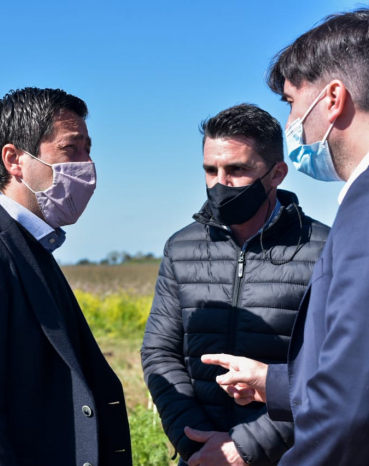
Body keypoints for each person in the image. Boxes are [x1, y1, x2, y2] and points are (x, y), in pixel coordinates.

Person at [202, 9, 369, 465]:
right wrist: (275, 381)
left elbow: (353, 405)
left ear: (332, 99)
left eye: (290, 102)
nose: (292, 122)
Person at [0, 87, 132, 466]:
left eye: (88, 149)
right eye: (70, 149)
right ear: (15, 160)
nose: (87, 165)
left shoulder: (29, 245)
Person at [141, 104, 330, 466]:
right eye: (210, 170)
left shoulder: (325, 250)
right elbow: (160, 352)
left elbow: (331, 372)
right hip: (201, 454)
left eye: (237, 169)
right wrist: (193, 438)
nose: (220, 183)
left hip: (289, 456)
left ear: (277, 174)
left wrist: (247, 447)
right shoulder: (181, 247)